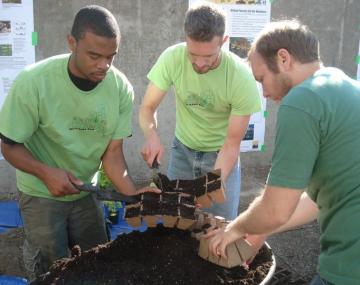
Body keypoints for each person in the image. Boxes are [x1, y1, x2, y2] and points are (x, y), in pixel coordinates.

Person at [0, 5, 156, 280]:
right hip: (40, 193)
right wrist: (46, 173)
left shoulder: (120, 88)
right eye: (94, 55)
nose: (104, 66)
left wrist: (134, 196)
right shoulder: (34, 82)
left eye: (111, 57)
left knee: (97, 256)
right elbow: (9, 145)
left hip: (86, 190)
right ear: (72, 42)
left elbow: (113, 154)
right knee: (51, 265)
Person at [206, 20, 360, 285]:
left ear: (284, 58)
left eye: (262, 79)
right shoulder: (342, 86)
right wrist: (254, 233)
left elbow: (276, 208)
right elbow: (312, 201)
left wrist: (236, 228)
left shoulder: (302, 100)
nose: (264, 92)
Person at [139, 2, 261, 220]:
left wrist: (212, 185)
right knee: (177, 223)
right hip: (182, 153)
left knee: (220, 227)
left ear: (224, 42)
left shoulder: (240, 77)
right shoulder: (172, 58)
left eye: (209, 57)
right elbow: (147, 108)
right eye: (193, 54)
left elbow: (232, 144)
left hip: (221, 156)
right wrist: (151, 135)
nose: (200, 64)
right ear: (186, 38)